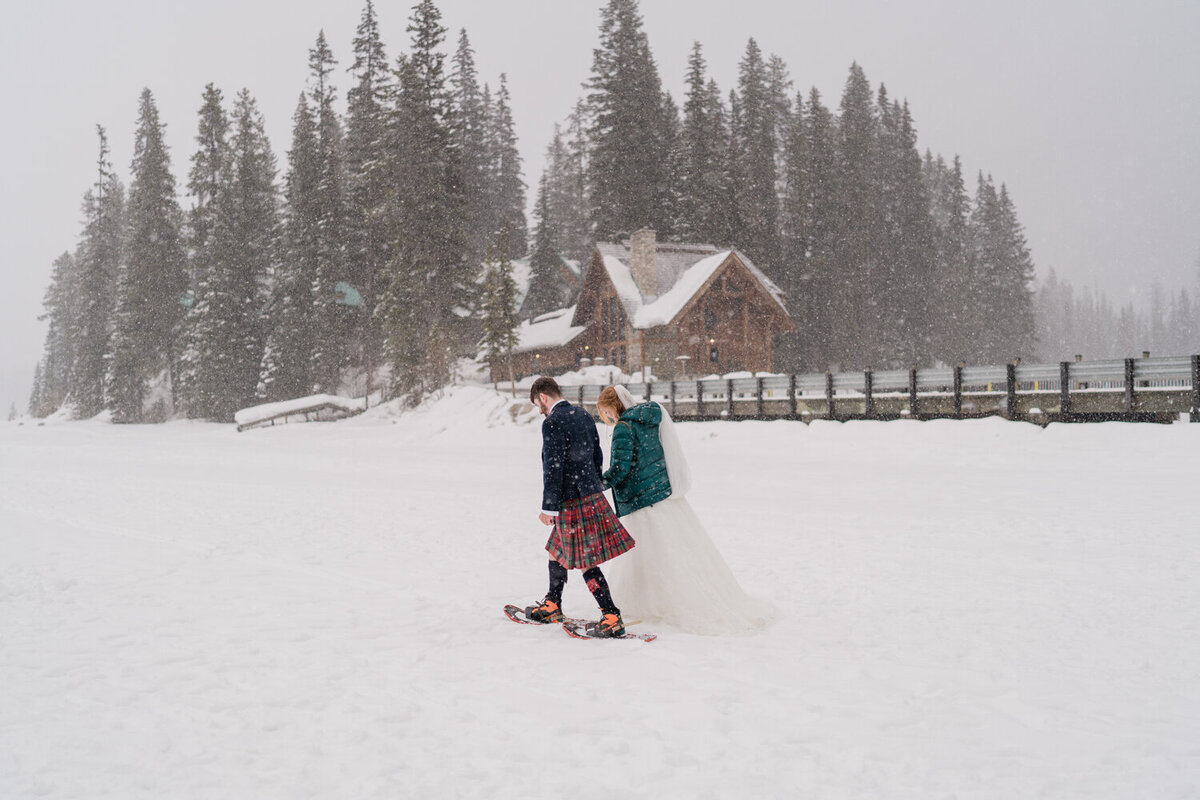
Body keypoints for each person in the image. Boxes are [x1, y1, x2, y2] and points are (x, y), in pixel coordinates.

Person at [596, 385, 774, 635]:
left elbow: (620, 469)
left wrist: (597, 484)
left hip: (641, 499)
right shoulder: (648, 421)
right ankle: (684, 596)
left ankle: (655, 601)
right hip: (662, 495)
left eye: (606, 412)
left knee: (650, 554)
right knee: (676, 552)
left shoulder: (624, 428)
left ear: (612, 406)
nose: (608, 418)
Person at [526, 376, 635, 637]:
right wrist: (593, 483)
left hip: (572, 500)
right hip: (589, 493)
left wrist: (549, 507)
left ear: (543, 397)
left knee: (586, 560)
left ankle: (611, 616)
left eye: (536, 404)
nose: (538, 410)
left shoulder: (552, 422)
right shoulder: (582, 415)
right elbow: (597, 454)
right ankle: (553, 603)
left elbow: (553, 466)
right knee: (555, 550)